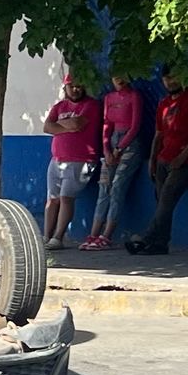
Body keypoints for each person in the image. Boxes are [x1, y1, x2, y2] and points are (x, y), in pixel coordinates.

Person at [128, 65, 188, 256]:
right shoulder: (164, 103)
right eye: (166, 78)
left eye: (174, 77)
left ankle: (147, 238)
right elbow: (158, 134)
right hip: (163, 159)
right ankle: (160, 244)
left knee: (167, 196)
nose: (170, 82)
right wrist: (153, 159)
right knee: (162, 202)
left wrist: (183, 157)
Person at [80, 75, 145, 251]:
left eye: (123, 75)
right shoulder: (109, 98)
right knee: (104, 187)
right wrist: (107, 149)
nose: (119, 80)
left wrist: (119, 148)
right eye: (116, 76)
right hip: (112, 142)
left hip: (130, 144)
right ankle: (93, 234)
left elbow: (135, 126)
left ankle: (106, 236)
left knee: (117, 186)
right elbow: (107, 124)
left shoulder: (134, 96)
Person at [41, 73, 102, 250]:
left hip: (80, 160)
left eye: (79, 86)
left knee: (66, 198)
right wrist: (68, 125)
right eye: (71, 86)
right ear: (65, 87)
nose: (75, 89)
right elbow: (47, 127)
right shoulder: (60, 106)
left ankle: (58, 237)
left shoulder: (90, 105)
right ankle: (46, 236)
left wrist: (59, 124)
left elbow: (77, 124)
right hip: (57, 160)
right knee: (52, 199)